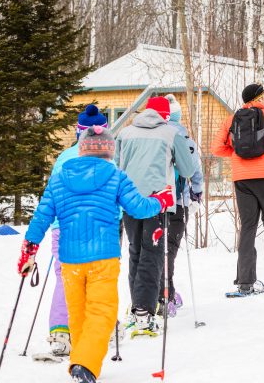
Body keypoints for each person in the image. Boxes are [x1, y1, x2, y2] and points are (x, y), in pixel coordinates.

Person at [17, 126, 174, 383]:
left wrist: (29, 249)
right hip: (103, 258)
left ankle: (81, 362)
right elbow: (139, 208)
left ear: (81, 149)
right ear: (110, 151)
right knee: (102, 312)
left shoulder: (59, 178)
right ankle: (85, 365)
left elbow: (41, 216)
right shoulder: (115, 175)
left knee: (77, 313)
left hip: (70, 260)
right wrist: (161, 200)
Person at [115, 96, 195, 331]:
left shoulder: (125, 133)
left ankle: (137, 306)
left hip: (129, 202)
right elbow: (187, 169)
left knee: (136, 252)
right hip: (157, 202)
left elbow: (118, 168)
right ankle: (144, 311)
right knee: (153, 254)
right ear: (165, 114)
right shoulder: (171, 133)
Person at [211, 83, 264, 297]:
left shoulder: (232, 120)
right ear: (259, 97)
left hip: (242, 179)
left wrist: (238, 153)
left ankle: (245, 282)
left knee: (247, 227)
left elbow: (216, 147)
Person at [42, 104, 108, 359]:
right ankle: (99, 328)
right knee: (98, 278)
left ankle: (60, 333)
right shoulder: (108, 156)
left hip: (65, 227)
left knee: (66, 278)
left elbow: (51, 194)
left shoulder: (64, 157)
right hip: (97, 227)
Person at [158, 94, 204, 317]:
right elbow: (194, 168)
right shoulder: (183, 137)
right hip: (177, 200)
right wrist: (196, 193)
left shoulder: (152, 135)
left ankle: (163, 291)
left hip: (152, 201)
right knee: (170, 249)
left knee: (155, 248)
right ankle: (165, 294)